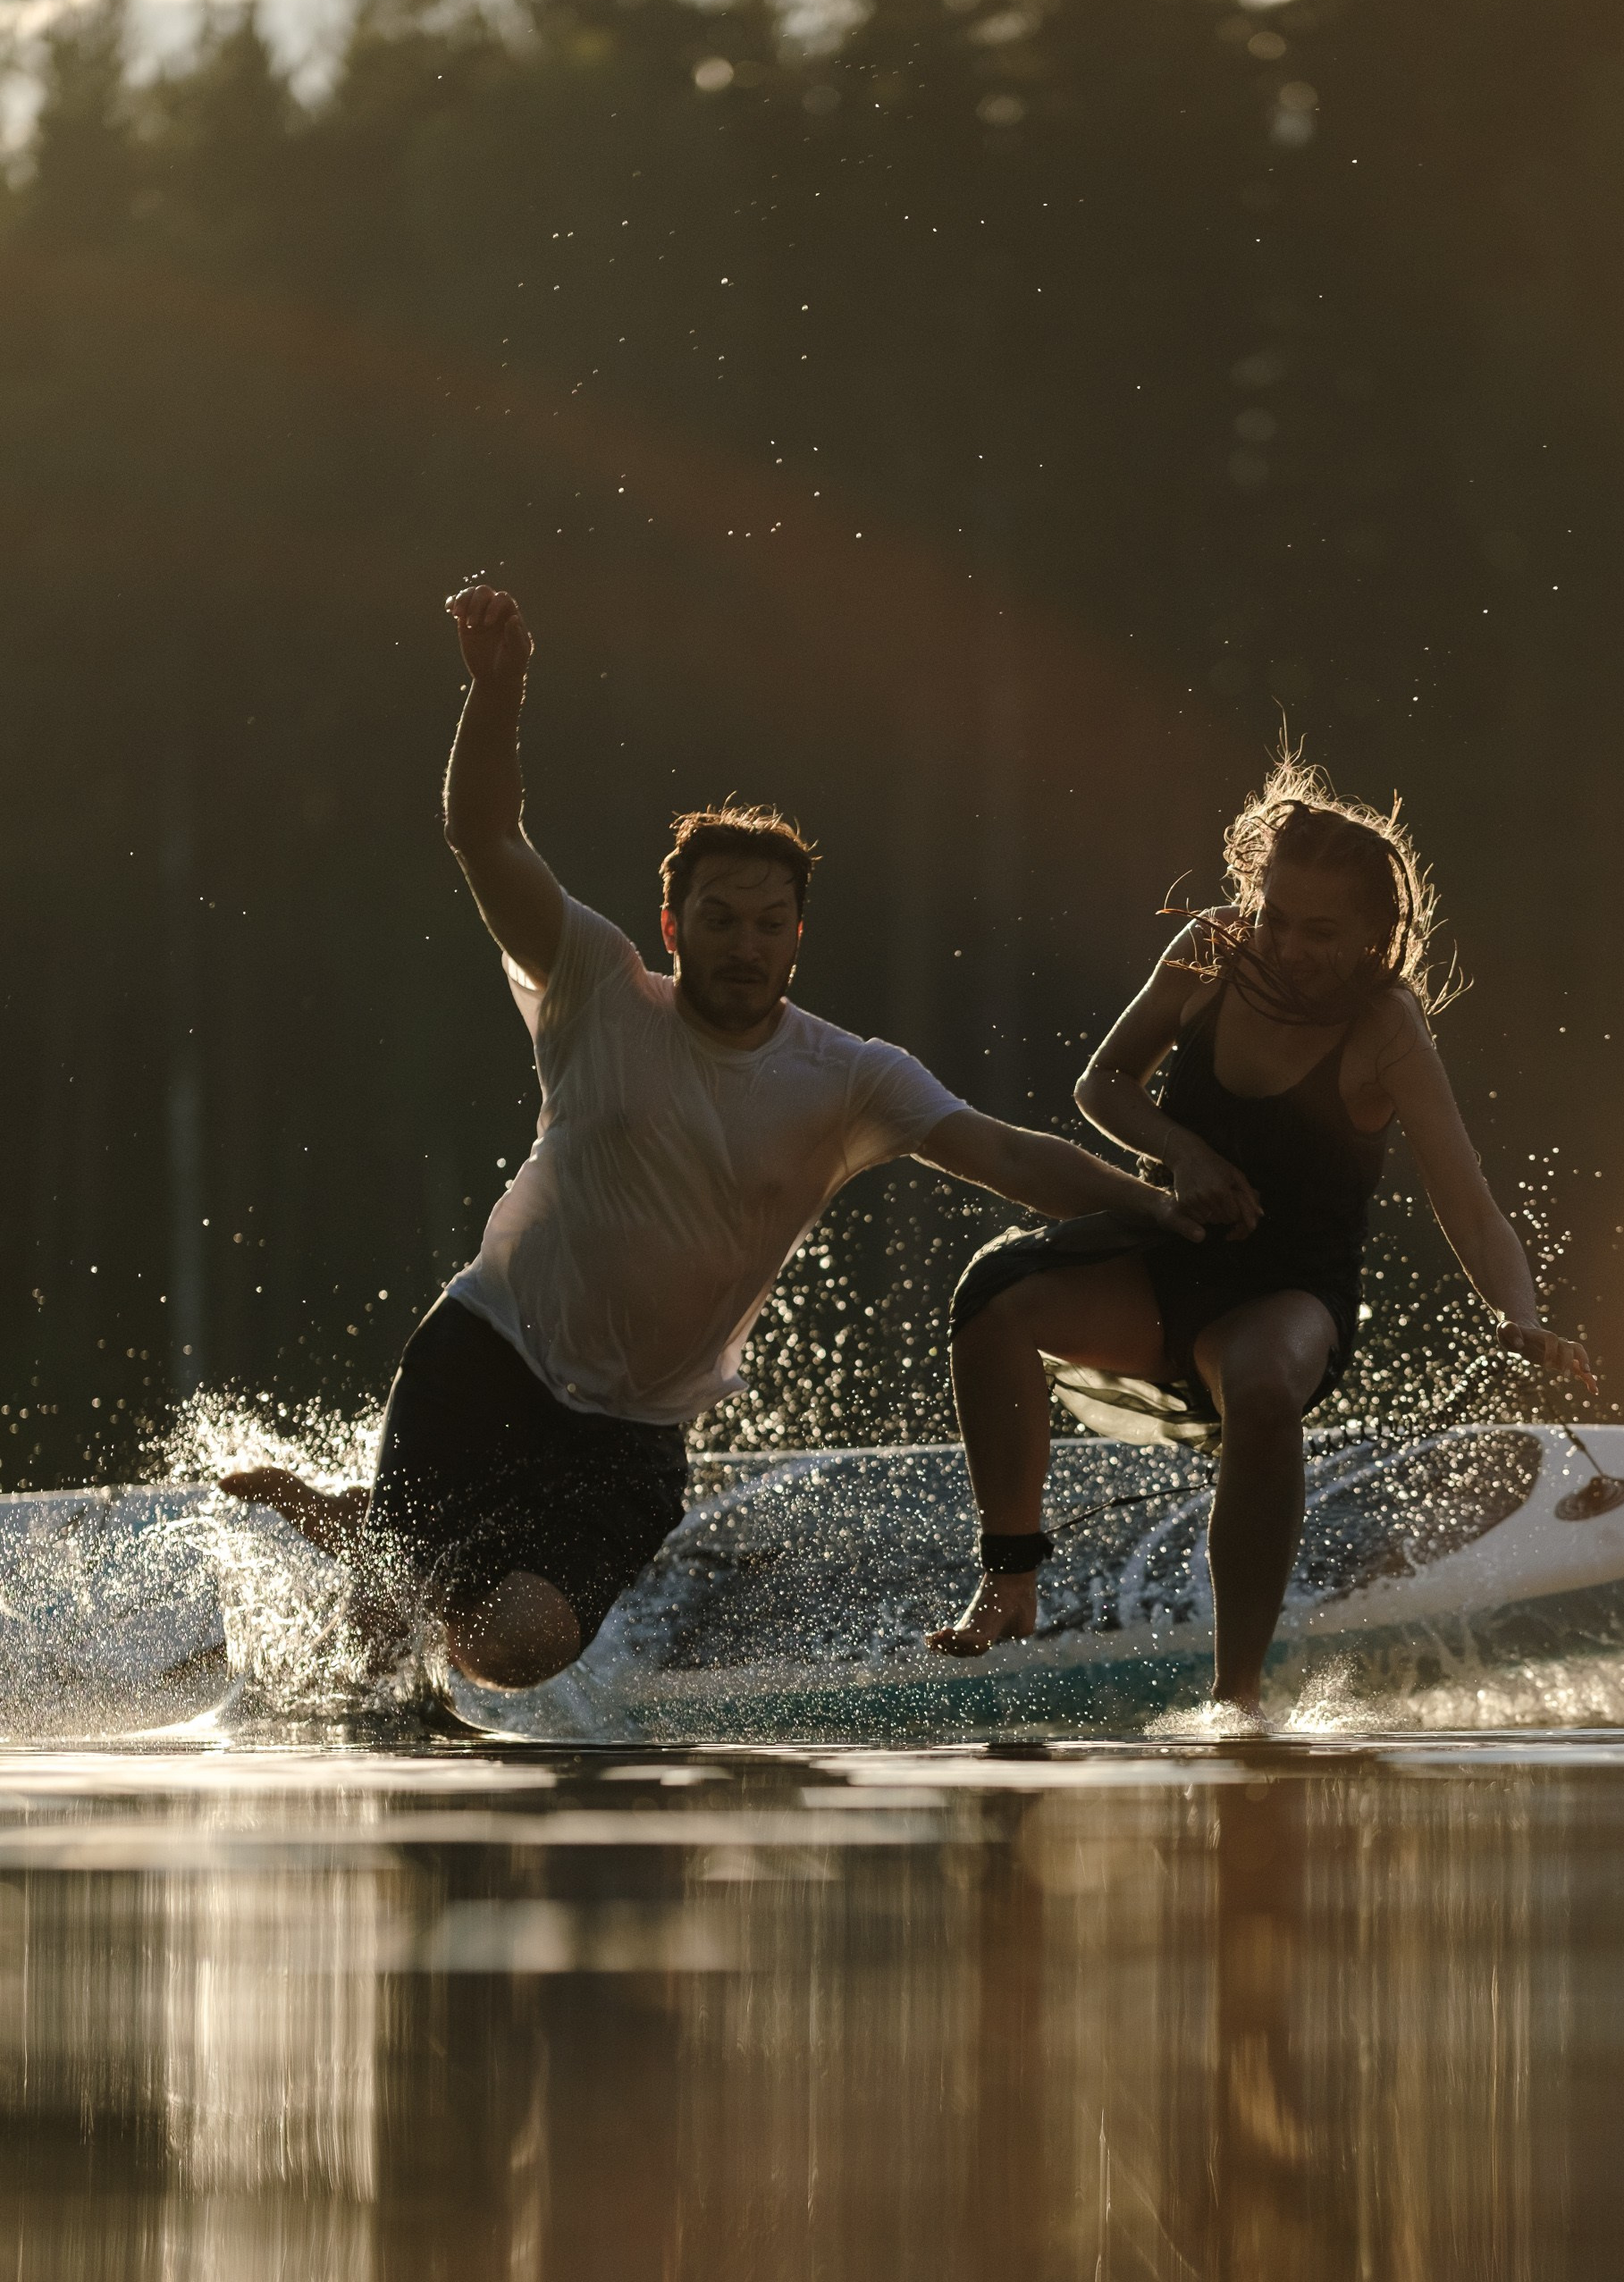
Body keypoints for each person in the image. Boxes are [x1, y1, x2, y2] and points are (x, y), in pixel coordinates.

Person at [221, 582, 1197, 1689]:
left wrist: (1155, 1206)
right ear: (674, 925)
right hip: (486, 1359)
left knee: (509, 1652)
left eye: (770, 925)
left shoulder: (850, 1078)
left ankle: (381, 1537)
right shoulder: (598, 987)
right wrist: (498, 692)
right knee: (379, 1662)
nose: (745, 944)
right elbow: (481, 833)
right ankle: (388, 1550)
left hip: (630, 1439)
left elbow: (1009, 1154)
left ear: (796, 939)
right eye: (721, 921)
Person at [927, 749, 1597, 1715]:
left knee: (1261, 1387)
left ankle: (1236, 1694)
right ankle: (1010, 1580)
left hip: (1287, 1294)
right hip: (1170, 1256)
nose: (1287, 945)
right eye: (1277, 916)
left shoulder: (1388, 1028)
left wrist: (1521, 1313)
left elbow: (1470, 1201)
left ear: (1376, 932)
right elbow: (1102, 1084)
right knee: (996, 1298)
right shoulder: (1212, 947)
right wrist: (1184, 1155)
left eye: (1322, 932)